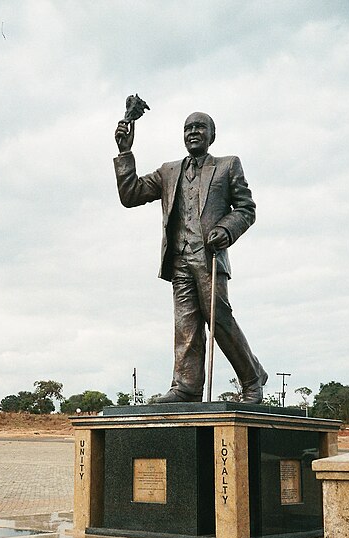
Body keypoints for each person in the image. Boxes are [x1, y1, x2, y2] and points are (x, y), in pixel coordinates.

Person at [114, 111, 268, 403]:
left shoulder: (227, 165)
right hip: (179, 260)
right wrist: (125, 152)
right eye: (188, 128)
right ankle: (186, 385)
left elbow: (246, 209)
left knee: (219, 319)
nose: (193, 132)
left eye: (200, 127)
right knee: (185, 325)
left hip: (209, 257)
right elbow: (130, 194)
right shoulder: (169, 172)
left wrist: (226, 229)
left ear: (212, 135)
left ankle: (252, 379)